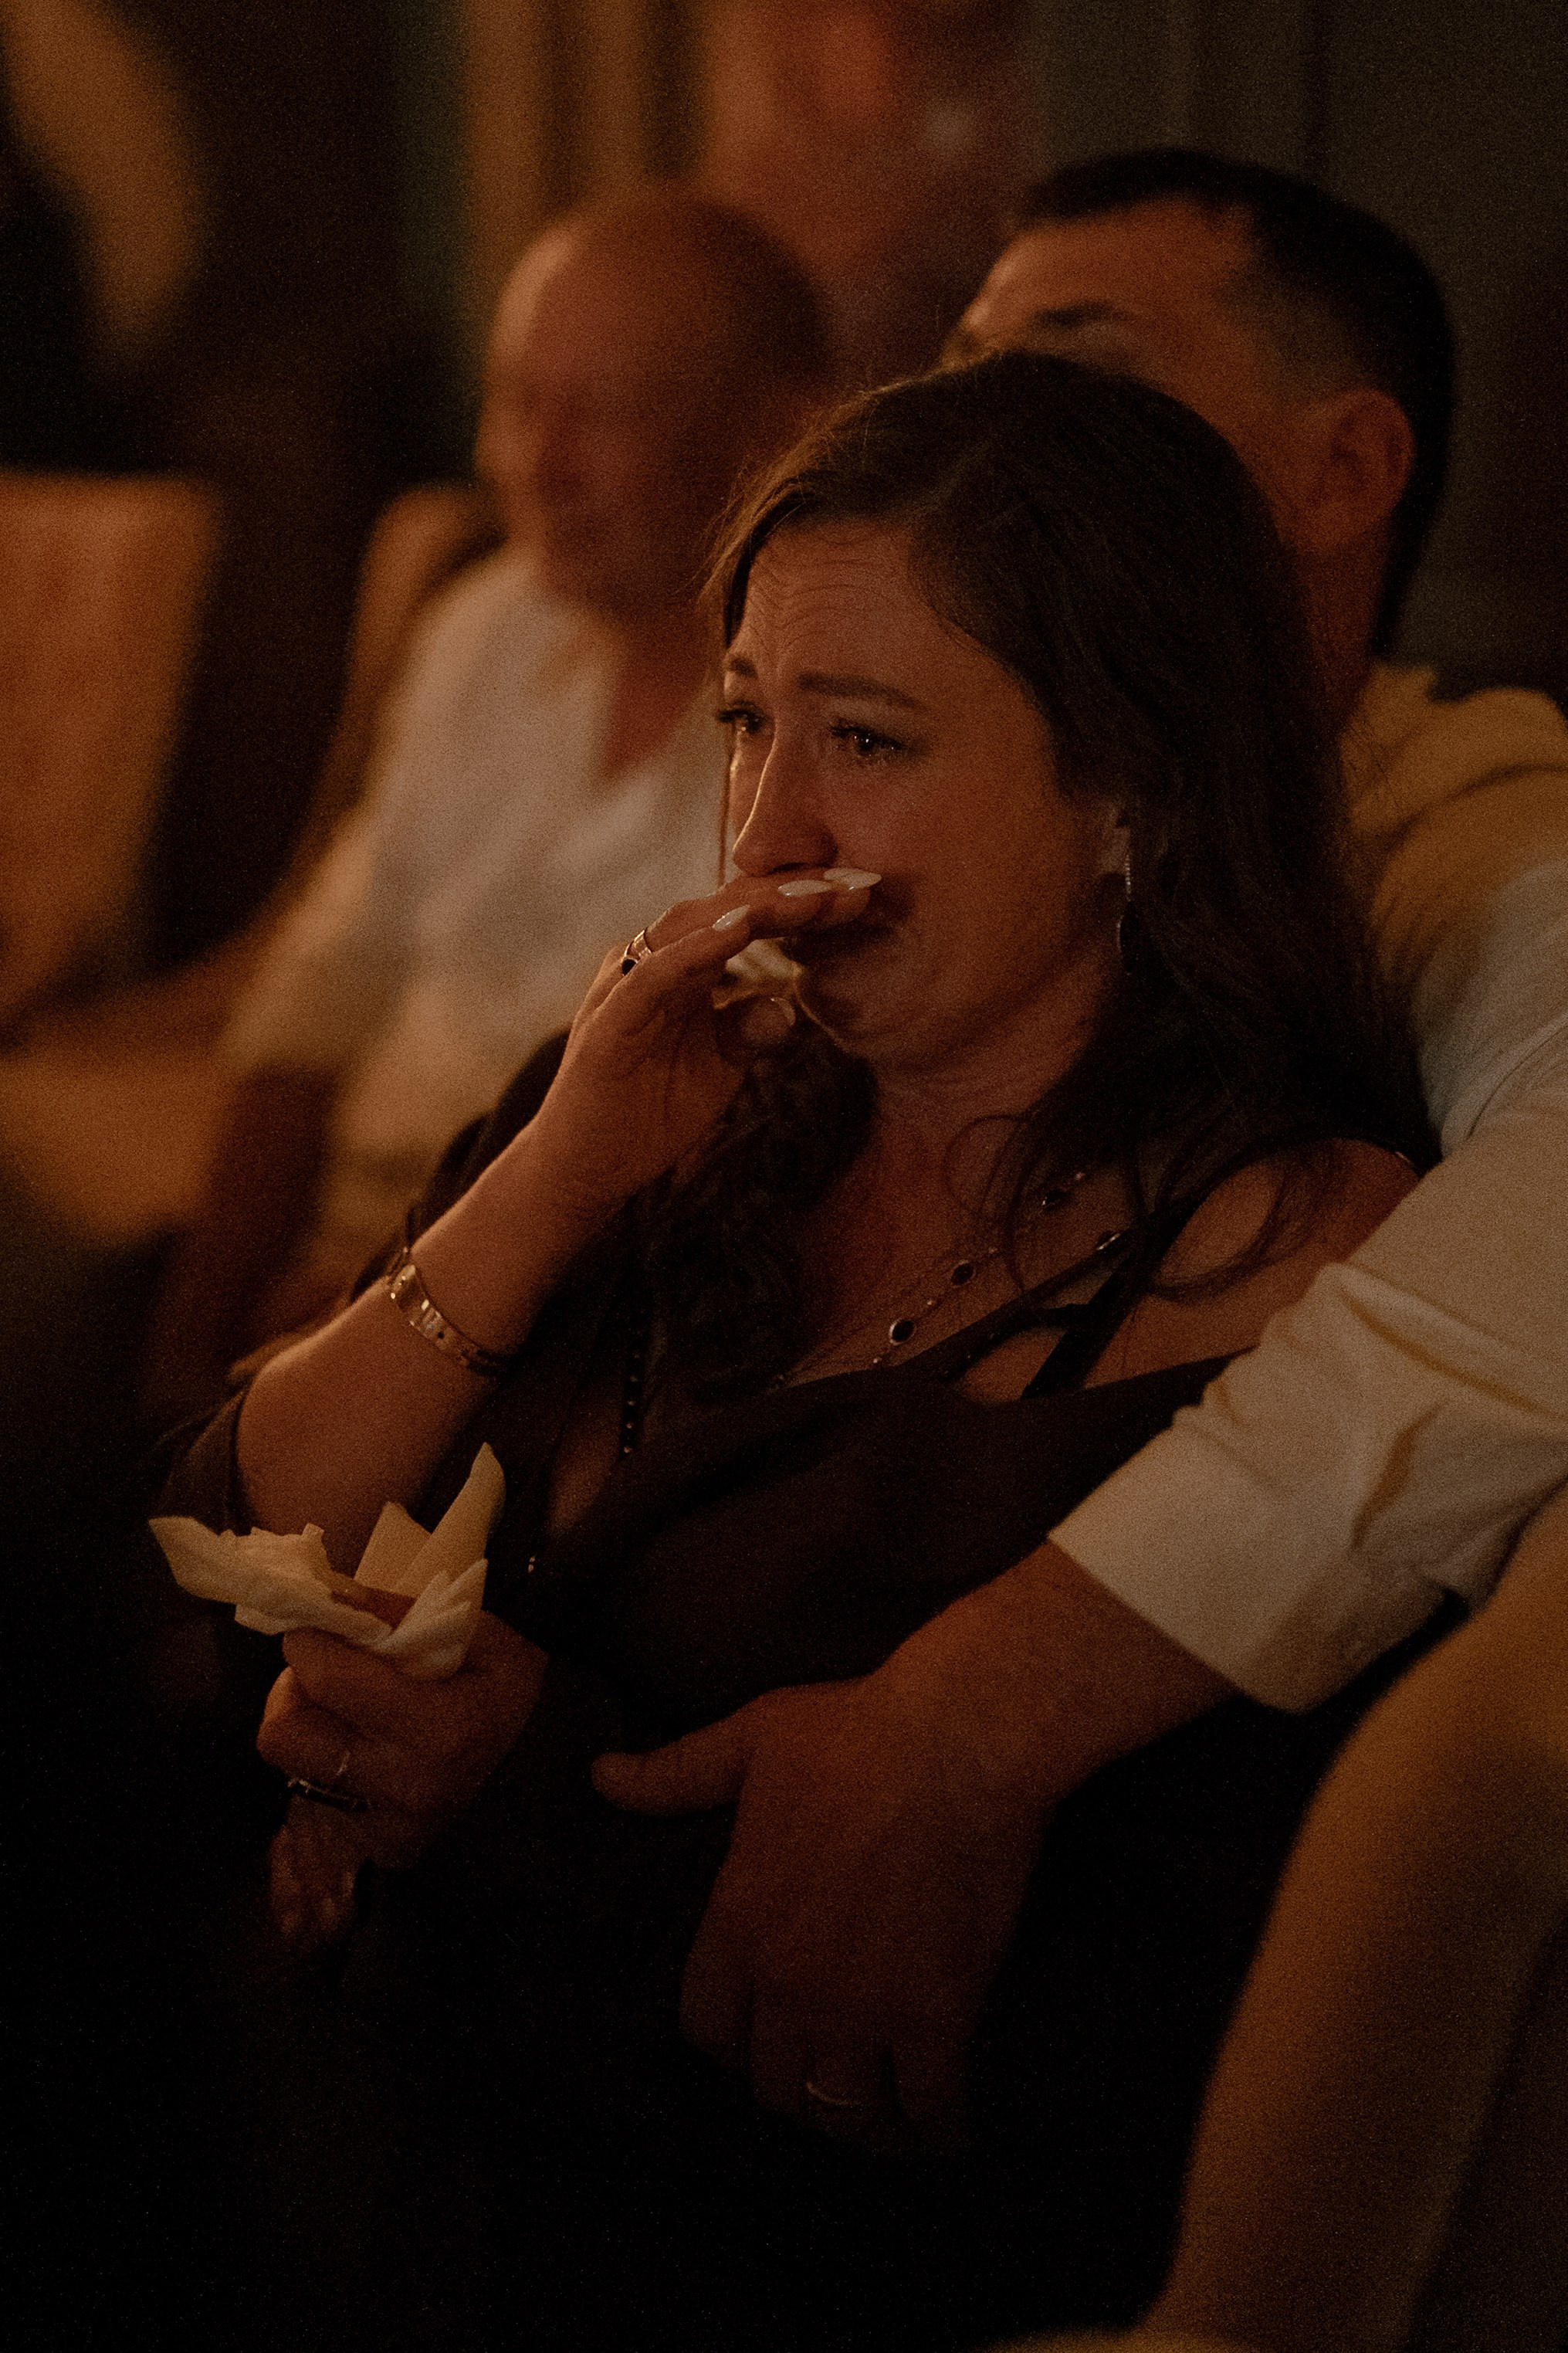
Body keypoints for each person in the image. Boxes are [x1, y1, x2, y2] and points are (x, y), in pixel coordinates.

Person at [161, 351, 1430, 2348]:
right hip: (351, 2157)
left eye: (867, 739)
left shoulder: (1307, 1272)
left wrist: (521, 1801)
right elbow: (220, 1518)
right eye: (747, 724)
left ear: (1137, 790)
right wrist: (552, 1180)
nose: (766, 832)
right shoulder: (672, 1100)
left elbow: (1110, 2075)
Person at [546, 151, 1568, 2158]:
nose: (977, 431)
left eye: (1078, 374)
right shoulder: (838, 772)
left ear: (1345, 470)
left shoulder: (1476, 838)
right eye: (959, 366)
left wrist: (968, 1723)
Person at [142, 188, 827, 1414]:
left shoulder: (829, 723)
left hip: (580, 1332)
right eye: (517, 401)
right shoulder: (481, 630)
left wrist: (383, 1321)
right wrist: (189, 1336)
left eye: (600, 414)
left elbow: (744, 1151)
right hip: (339, 1269)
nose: (528, 465)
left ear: (777, 430)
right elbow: (323, 985)